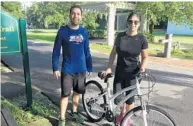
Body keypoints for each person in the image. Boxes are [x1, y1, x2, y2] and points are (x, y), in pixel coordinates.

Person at [104, 12, 148, 125]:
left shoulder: (142, 39)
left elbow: (145, 56)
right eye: (130, 21)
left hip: (133, 73)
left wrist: (142, 68)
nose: (132, 24)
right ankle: (121, 114)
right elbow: (113, 53)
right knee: (119, 99)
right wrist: (109, 68)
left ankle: (127, 119)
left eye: (136, 22)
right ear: (127, 22)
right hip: (119, 71)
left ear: (139, 24)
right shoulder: (120, 36)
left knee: (130, 99)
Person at [52, 5, 92, 126]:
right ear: (70, 15)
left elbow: (87, 51)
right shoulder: (63, 31)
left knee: (77, 92)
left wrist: (89, 66)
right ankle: (62, 118)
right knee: (65, 94)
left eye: (78, 13)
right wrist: (55, 67)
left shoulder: (84, 32)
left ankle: (74, 113)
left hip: (81, 69)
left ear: (81, 16)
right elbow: (56, 50)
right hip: (67, 69)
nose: (76, 16)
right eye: (73, 13)